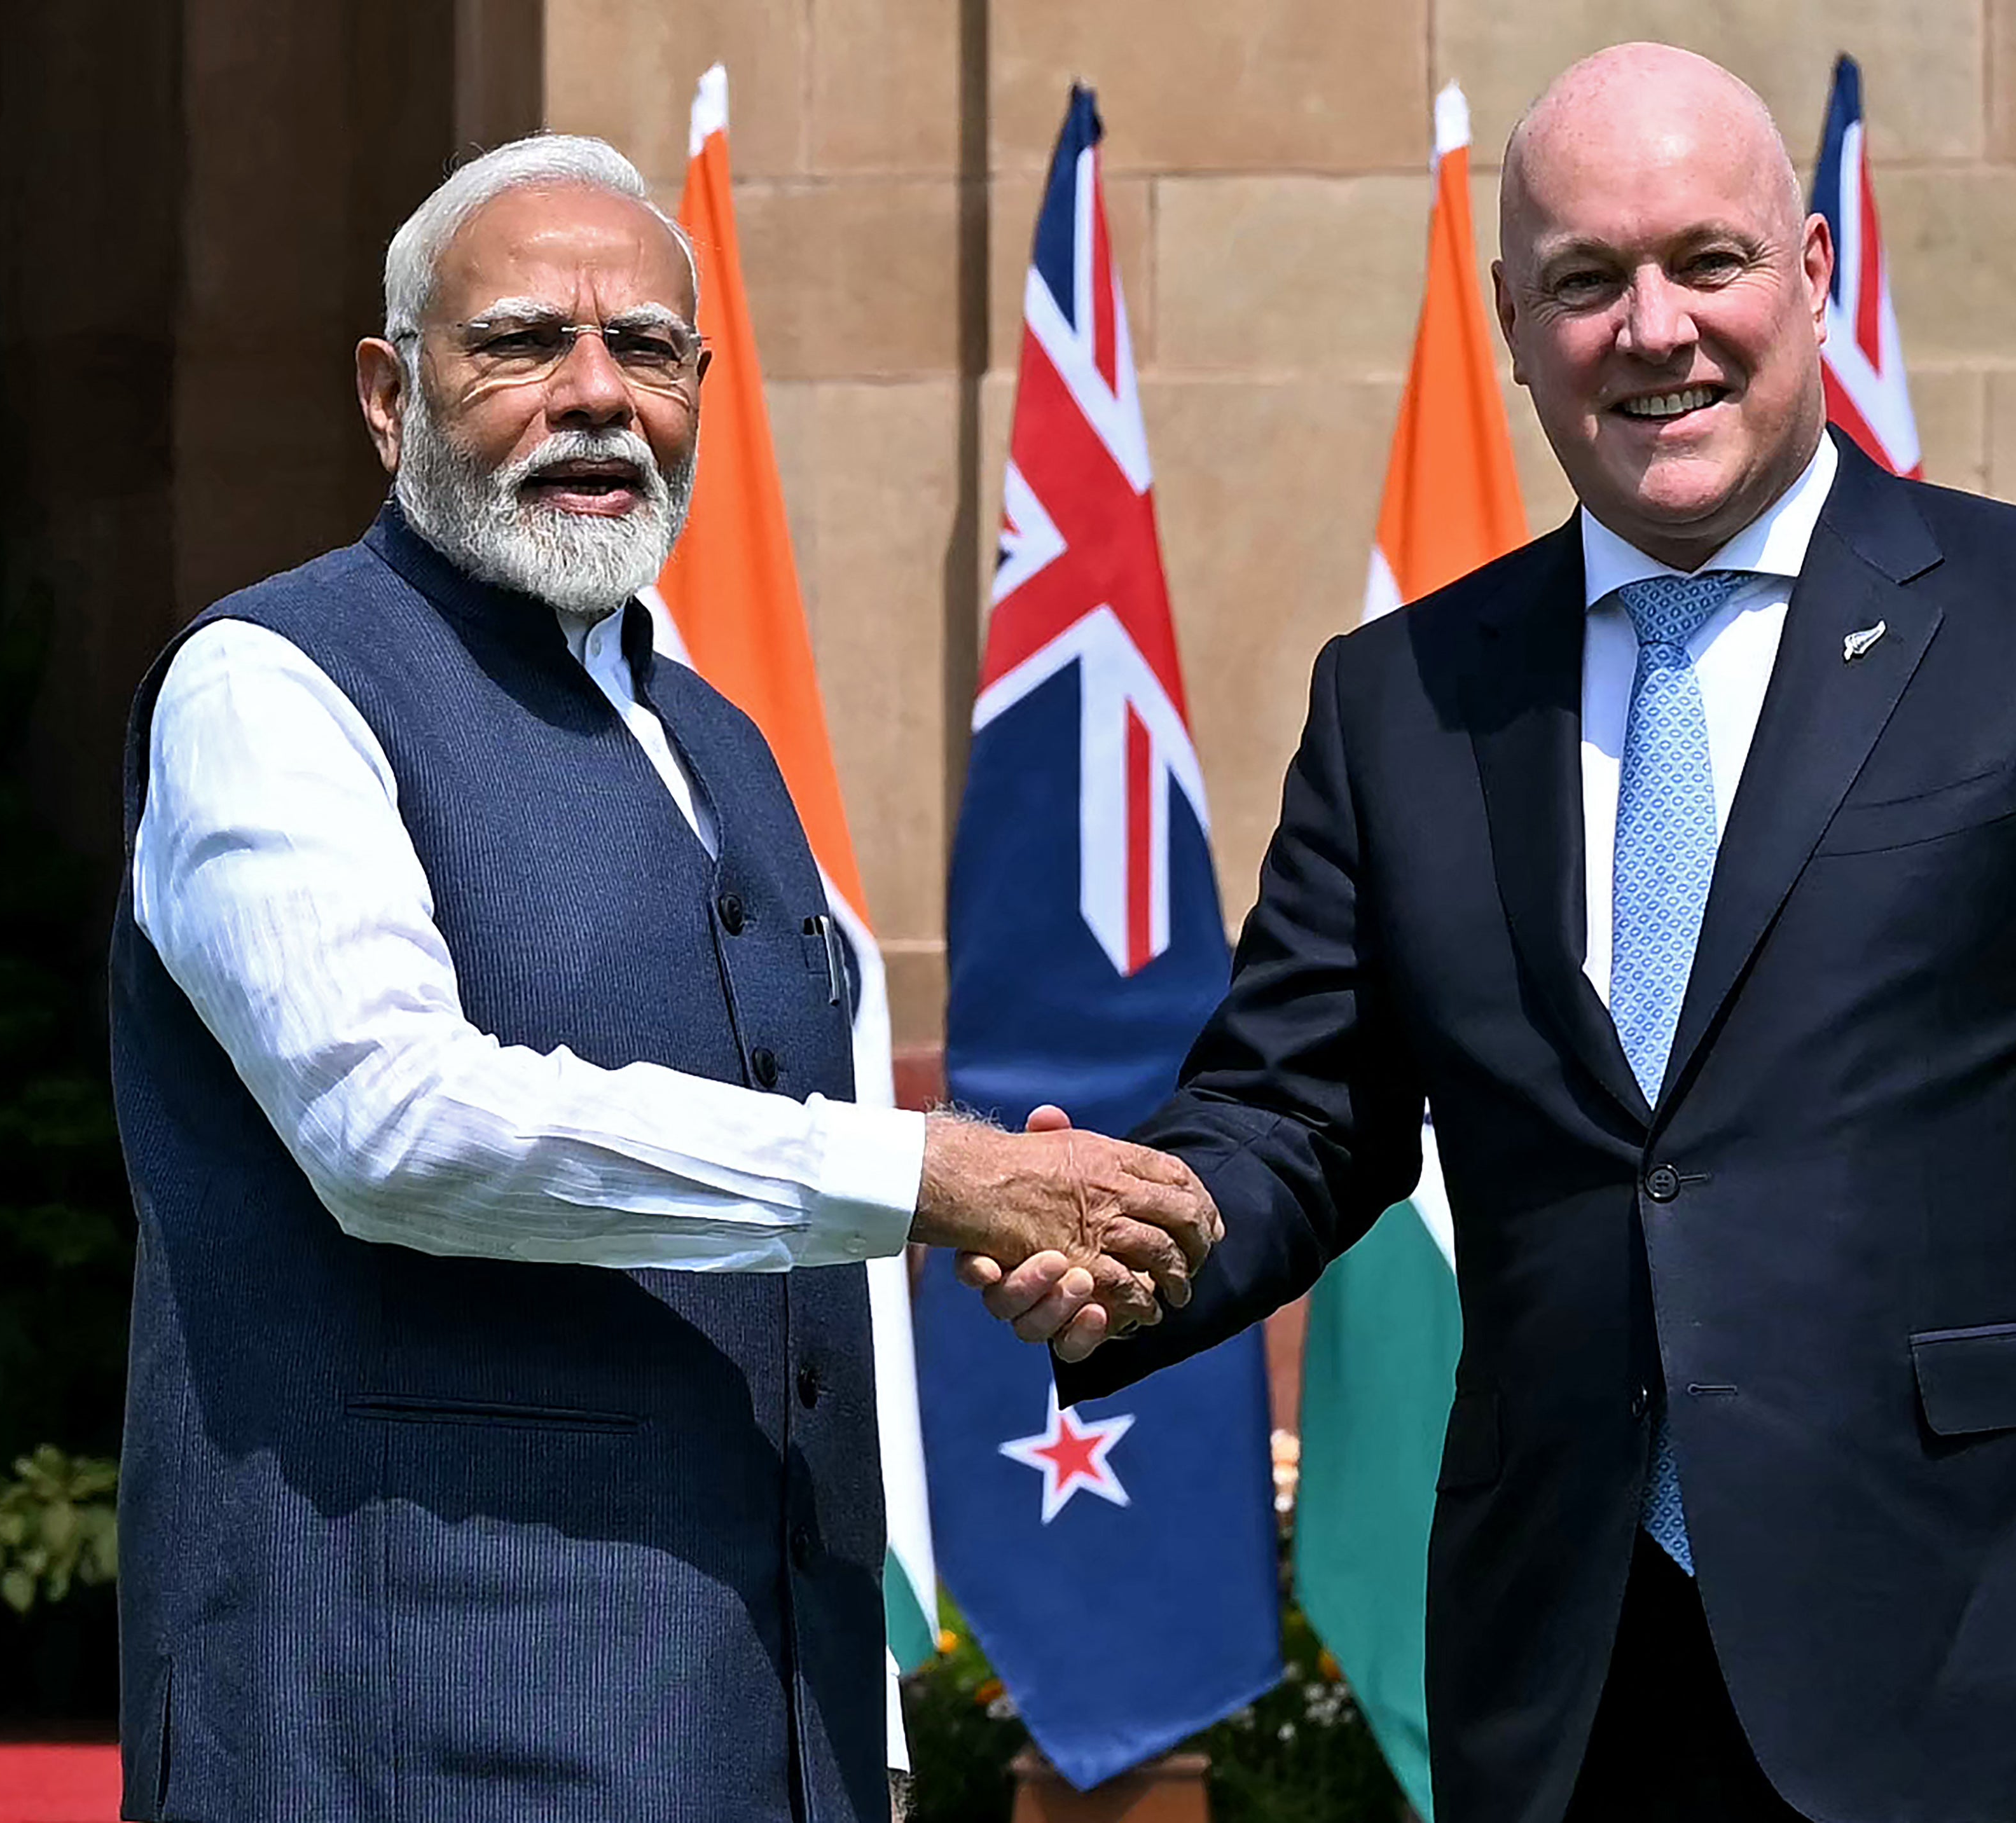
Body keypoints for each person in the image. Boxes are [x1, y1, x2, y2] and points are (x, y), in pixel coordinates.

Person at [965, 43, 2016, 1823]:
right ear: (1511, 321)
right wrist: (1123, 1235)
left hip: (1995, 1659)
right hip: (1568, 1676)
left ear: (1811, 273)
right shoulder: (1404, 696)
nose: (1653, 330)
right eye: (1584, 281)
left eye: (1708, 261)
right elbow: (1299, 1110)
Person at [108, 134, 1214, 1823]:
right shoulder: (266, 685)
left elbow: (807, 1285)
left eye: (645, 349)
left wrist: (867, 1717)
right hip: (395, 1733)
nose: (594, 395)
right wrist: (932, 1174)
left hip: (765, 1732)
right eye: (519, 344)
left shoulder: (722, 744)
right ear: (388, 397)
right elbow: (391, 1123)